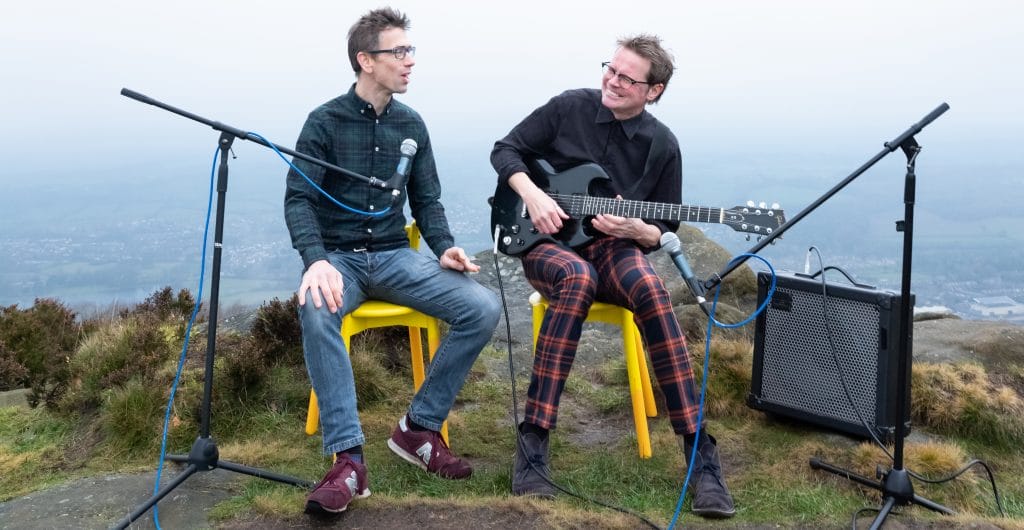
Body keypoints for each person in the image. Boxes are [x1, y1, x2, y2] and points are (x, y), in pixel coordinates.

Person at [489, 34, 735, 518]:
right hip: (542, 240)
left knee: (650, 288)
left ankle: (700, 455)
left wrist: (637, 229)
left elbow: (662, 228)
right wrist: (533, 196)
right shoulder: (569, 107)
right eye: (611, 69)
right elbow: (505, 150)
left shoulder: (663, 145)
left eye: (628, 78)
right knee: (576, 279)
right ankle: (534, 440)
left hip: (611, 245)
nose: (613, 81)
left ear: (654, 90)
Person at [284, 7, 500, 515]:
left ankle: (417, 430)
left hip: (395, 257)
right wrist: (315, 261)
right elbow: (298, 199)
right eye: (398, 52)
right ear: (365, 60)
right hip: (338, 259)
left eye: (410, 51)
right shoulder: (324, 122)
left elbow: (427, 200)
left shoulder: (412, 123)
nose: (409, 62)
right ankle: (348, 461)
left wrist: (444, 245)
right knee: (317, 309)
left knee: (483, 307)